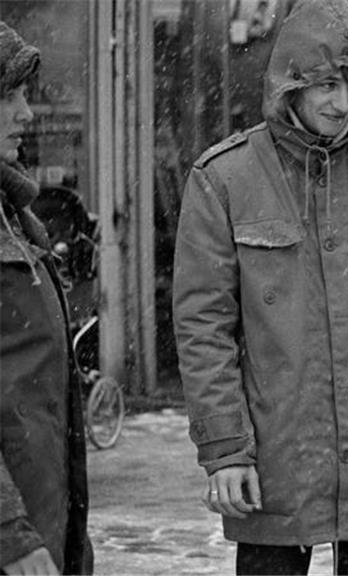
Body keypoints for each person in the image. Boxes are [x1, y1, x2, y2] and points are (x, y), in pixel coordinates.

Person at [172, 1, 348, 574]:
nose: (342, 102)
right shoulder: (224, 178)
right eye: (326, 84)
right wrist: (224, 447)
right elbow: (204, 326)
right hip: (277, 454)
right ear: (288, 86)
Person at [0, 20, 92, 576]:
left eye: (24, 95)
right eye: (7, 96)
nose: (25, 114)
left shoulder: (16, 212)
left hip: (43, 528)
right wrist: (10, 533)